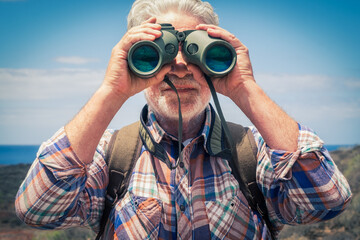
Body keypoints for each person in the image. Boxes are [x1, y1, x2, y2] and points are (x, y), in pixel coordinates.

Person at [15, 0, 352, 239]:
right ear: (132, 60)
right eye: (154, 52)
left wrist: (244, 86)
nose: (178, 64)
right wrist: (112, 90)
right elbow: (38, 210)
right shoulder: (108, 155)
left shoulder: (256, 152)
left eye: (194, 49)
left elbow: (327, 200)